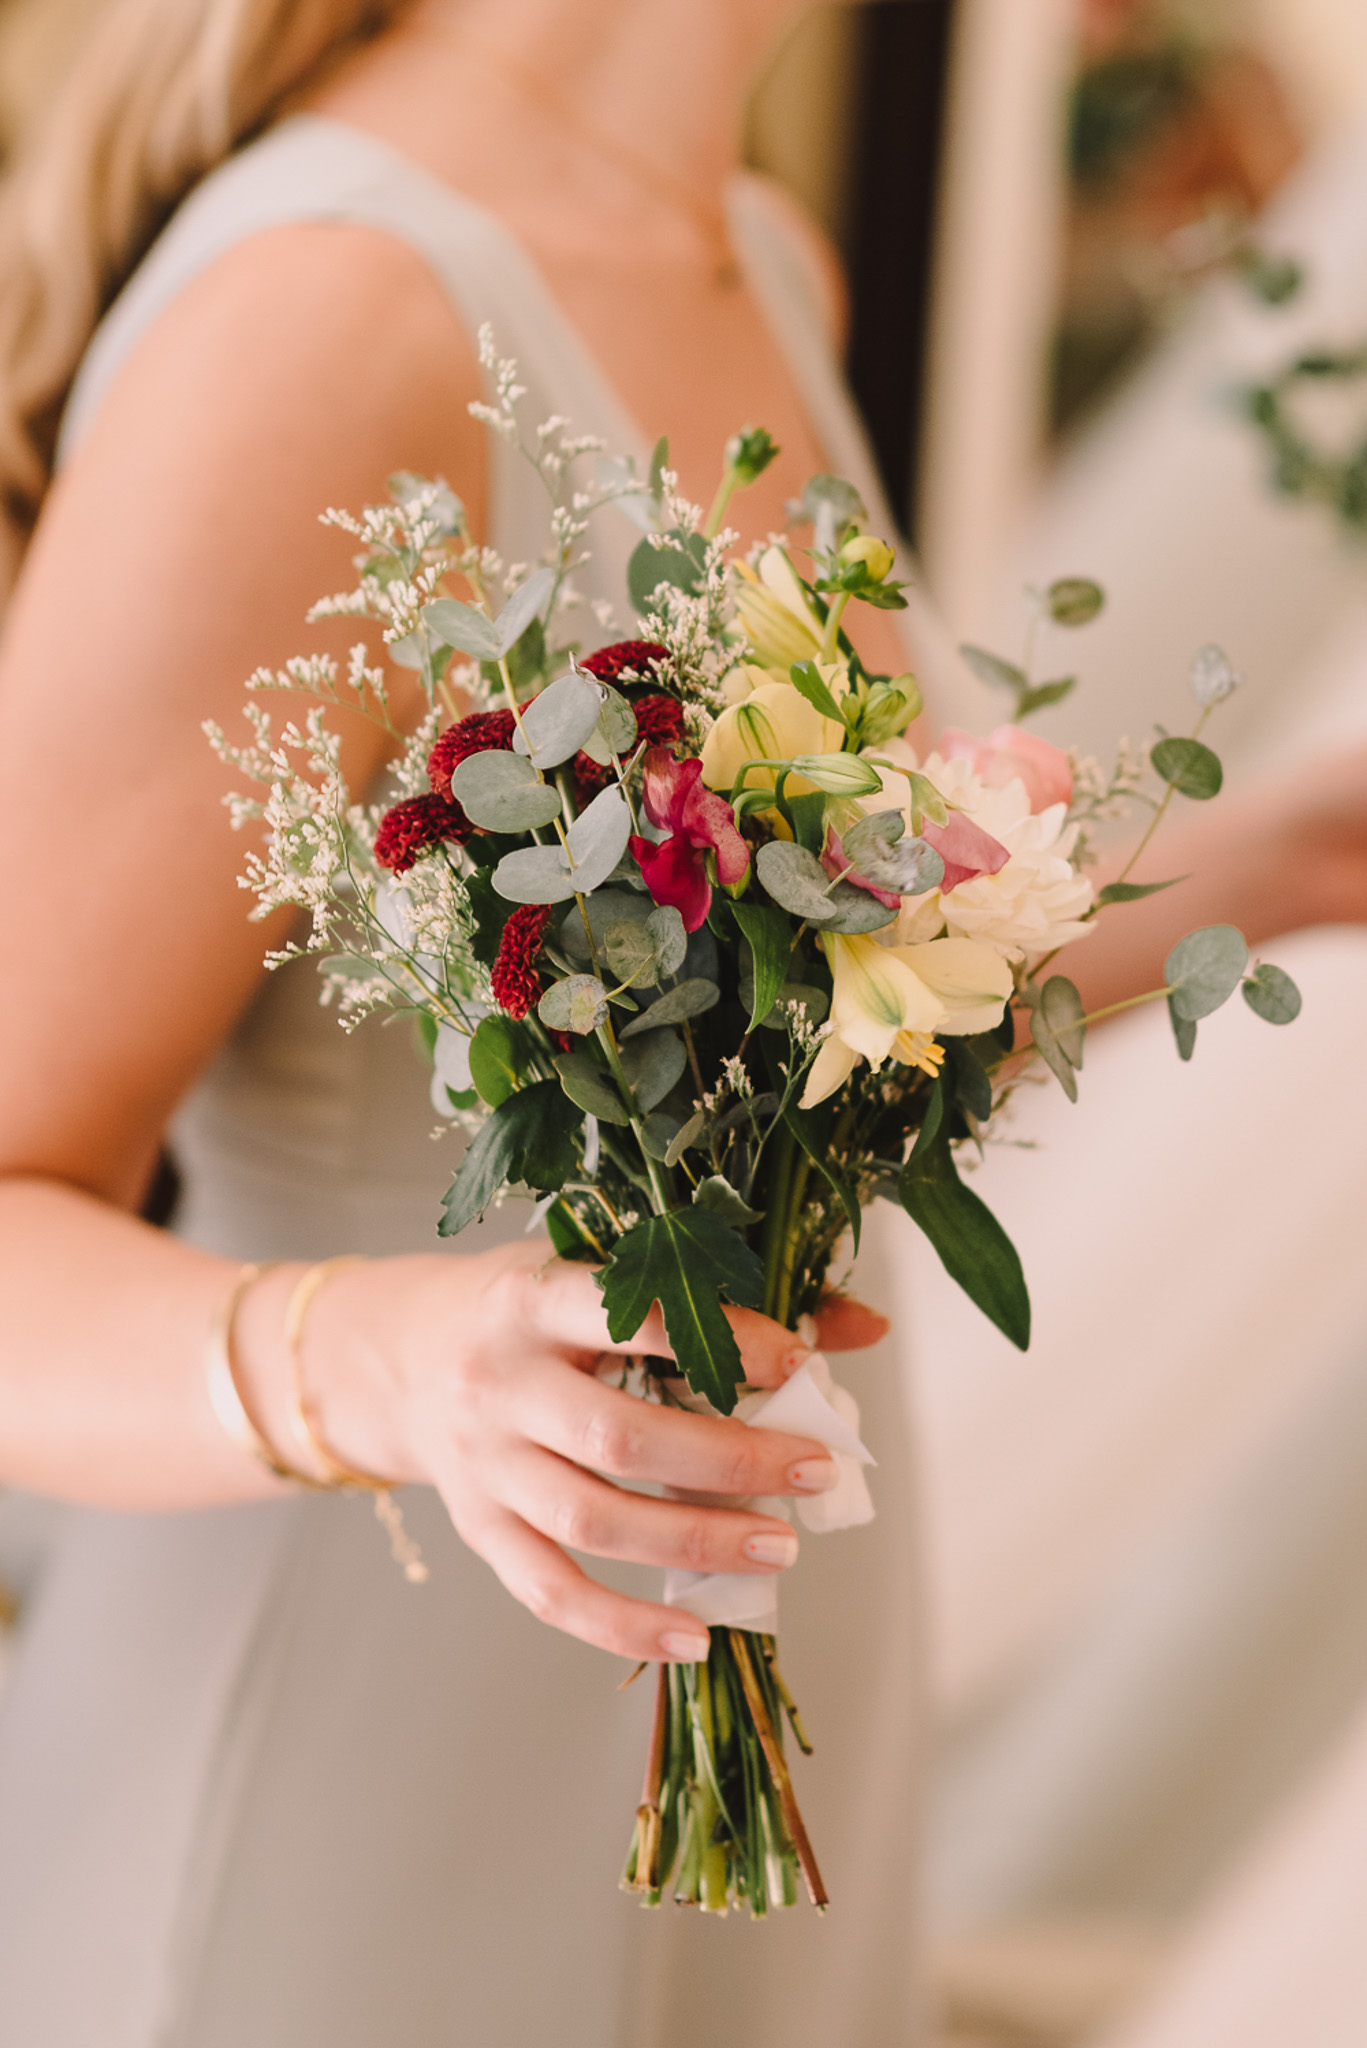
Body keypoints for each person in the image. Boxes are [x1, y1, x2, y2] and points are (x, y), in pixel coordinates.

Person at [0, 2, 1363, 2043]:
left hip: (750, 1689)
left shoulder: (755, 248)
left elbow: (772, 1006)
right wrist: (409, 1368)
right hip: (347, 1754)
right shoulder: (327, 317)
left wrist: (1264, 869)